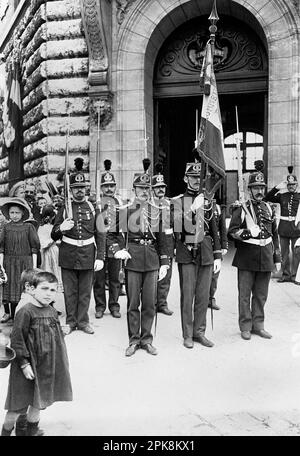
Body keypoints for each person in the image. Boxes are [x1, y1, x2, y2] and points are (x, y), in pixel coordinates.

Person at [110, 159, 171, 357]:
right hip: (133, 259)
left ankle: (147, 339)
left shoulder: (158, 211)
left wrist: (164, 262)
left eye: (147, 188)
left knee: (149, 303)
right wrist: (118, 249)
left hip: (152, 259)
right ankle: (133, 340)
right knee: (133, 303)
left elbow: (163, 238)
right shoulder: (125, 210)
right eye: (141, 188)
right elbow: (112, 233)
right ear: (134, 189)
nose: (144, 191)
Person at [1, 271, 73, 436]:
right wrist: (24, 364)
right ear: (32, 289)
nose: (49, 294)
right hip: (26, 366)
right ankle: (5, 432)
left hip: (44, 366)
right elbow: (17, 340)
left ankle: (30, 432)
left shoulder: (52, 311)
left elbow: (52, 337)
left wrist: (62, 331)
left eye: (53, 290)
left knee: (37, 403)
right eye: (44, 289)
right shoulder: (25, 311)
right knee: (17, 406)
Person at [171, 152, 222, 349]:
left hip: (206, 252)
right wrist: (192, 207)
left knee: (203, 295)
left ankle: (199, 332)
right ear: (185, 178)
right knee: (188, 296)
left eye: (199, 178)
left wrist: (217, 254)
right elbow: (176, 226)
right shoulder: (177, 201)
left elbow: (214, 228)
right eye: (192, 178)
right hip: (186, 251)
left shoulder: (208, 200)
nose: (195, 182)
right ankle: (187, 334)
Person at [51, 159, 106, 335]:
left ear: (86, 189)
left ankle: (83, 321)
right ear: (71, 190)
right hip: (68, 254)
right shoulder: (65, 208)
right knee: (70, 291)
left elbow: (101, 233)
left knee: (84, 291)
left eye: (82, 187)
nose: (80, 190)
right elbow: (53, 233)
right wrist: (61, 228)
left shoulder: (93, 207)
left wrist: (100, 257)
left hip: (88, 253)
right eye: (76, 188)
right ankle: (70, 321)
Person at [228, 167, 281, 340]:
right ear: (250, 189)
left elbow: (274, 234)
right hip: (246, 257)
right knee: (244, 294)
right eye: (256, 187)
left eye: (261, 187)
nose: (259, 191)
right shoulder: (241, 208)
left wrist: (277, 257)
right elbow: (232, 231)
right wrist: (247, 233)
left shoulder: (269, 208)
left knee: (261, 294)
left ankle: (258, 325)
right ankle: (245, 326)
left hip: (265, 256)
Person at [0, 198, 40, 323]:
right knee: (8, 287)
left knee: (22, 288)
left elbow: (34, 247)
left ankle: (20, 314)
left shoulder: (28, 227)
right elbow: (1, 248)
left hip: (25, 262)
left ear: (23, 213)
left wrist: (33, 267)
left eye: (17, 213)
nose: (14, 215)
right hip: (9, 262)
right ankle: (8, 313)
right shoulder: (6, 228)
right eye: (12, 212)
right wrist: (1, 265)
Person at [93, 160, 124, 319]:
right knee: (98, 279)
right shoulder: (95, 205)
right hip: (98, 246)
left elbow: (123, 229)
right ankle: (100, 306)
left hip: (114, 246)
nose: (109, 188)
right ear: (101, 188)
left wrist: (121, 248)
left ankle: (114, 305)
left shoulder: (120, 204)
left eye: (112, 185)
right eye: (106, 186)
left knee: (114, 278)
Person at [265, 167, 300, 283]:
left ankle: (295, 276)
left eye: (293, 184)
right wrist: (276, 187)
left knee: (296, 253)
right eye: (289, 184)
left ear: (297, 185)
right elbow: (267, 197)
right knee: (284, 254)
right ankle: (285, 275)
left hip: (297, 228)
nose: (291, 186)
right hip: (284, 228)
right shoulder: (282, 196)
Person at [151, 162, 174, 316]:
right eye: (157, 187)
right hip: (153, 244)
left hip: (167, 242)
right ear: (152, 189)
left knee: (166, 274)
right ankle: (151, 302)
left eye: (162, 187)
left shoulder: (170, 204)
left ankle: (162, 303)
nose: (160, 189)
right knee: (152, 274)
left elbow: (176, 224)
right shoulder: (148, 204)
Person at [208, 196, 228, 311]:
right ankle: (200, 298)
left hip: (215, 244)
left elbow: (222, 227)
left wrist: (224, 244)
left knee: (215, 274)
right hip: (203, 243)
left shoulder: (218, 208)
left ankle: (211, 298)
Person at [38, 205, 63, 292]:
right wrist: (53, 240)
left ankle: (53, 286)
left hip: (54, 250)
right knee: (48, 268)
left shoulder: (51, 227)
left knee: (55, 267)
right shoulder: (43, 228)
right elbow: (43, 243)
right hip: (47, 251)